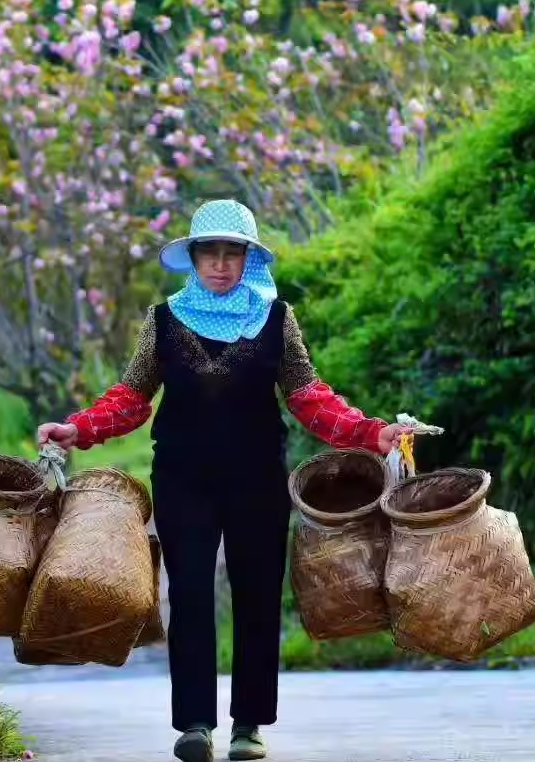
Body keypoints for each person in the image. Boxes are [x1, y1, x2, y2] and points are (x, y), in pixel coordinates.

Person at [37, 199, 410, 762]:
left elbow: (309, 397)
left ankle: (248, 727)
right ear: (192, 259)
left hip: (257, 476)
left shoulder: (276, 319)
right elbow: (132, 398)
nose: (219, 264)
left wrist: (368, 433)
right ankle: (193, 725)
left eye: (230, 253)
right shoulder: (164, 320)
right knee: (187, 595)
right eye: (208, 253)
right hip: (184, 476)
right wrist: (77, 428)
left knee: (258, 595)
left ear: (247, 259)